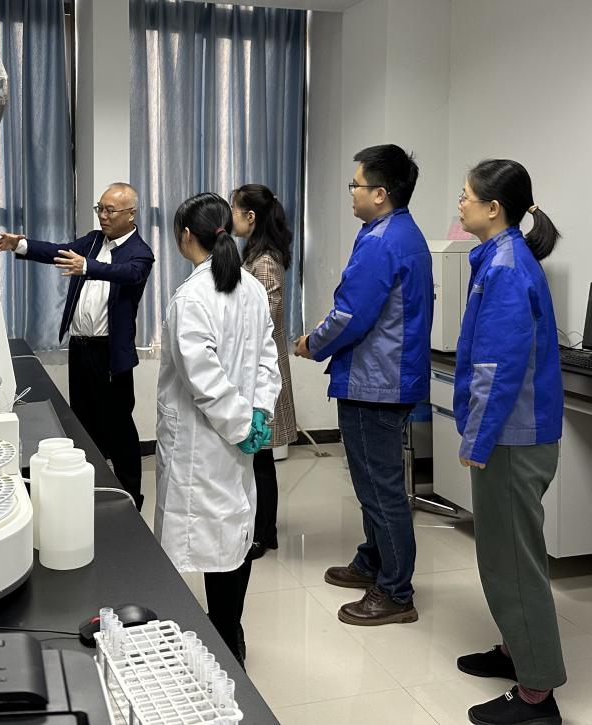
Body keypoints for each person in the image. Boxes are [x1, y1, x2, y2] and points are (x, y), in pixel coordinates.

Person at [294, 144, 432, 626]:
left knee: (380, 488)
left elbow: (351, 315)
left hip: (376, 382)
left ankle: (395, 592)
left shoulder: (381, 242)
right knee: (373, 483)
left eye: (356, 184)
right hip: (385, 376)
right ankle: (373, 561)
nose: (351, 192)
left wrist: (312, 343)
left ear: (380, 193)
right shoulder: (399, 232)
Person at [452, 159, 565, 725]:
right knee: (503, 555)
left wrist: (476, 440)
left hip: (512, 440)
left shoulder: (505, 267)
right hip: (515, 433)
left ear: (493, 208)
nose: (459, 204)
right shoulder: (501, 258)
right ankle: (515, 650)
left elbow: (496, 369)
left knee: (515, 564)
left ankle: (538, 695)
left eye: (466, 197)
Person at [154, 192, 281, 665]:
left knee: (212, 540)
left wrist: (247, 420)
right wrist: (257, 414)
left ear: (186, 236)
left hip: (203, 442)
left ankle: (223, 641)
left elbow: (203, 380)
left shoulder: (191, 298)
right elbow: (268, 360)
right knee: (231, 538)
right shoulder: (250, 287)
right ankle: (229, 631)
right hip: (234, 437)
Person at [0, 183, 154, 510]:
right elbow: (58, 251)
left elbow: (127, 274)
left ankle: (130, 498)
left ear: (131, 214)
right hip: (81, 349)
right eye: (100, 208)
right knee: (83, 423)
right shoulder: (93, 241)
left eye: (110, 210)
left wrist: (88, 267)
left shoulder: (140, 251)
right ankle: (90, 490)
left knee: (119, 429)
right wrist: (20, 245)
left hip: (110, 354)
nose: (103, 215)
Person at [231, 184, 298, 561]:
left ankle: (265, 533)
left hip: (263, 369)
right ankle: (261, 527)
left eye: (235, 210)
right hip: (256, 365)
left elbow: (266, 319)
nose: (231, 217)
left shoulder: (265, 262)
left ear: (251, 217)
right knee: (258, 455)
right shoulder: (254, 255)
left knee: (261, 457)